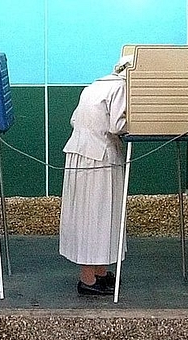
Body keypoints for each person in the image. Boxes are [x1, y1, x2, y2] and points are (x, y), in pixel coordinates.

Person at [59, 55, 132, 296]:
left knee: (91, 215)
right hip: (99, 157)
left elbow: (73, 118)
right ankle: (88, 280)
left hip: (79, 152)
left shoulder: (96, 85)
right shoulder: (121, 87)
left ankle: (99, 272)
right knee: (96, 216)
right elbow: (119, 125)